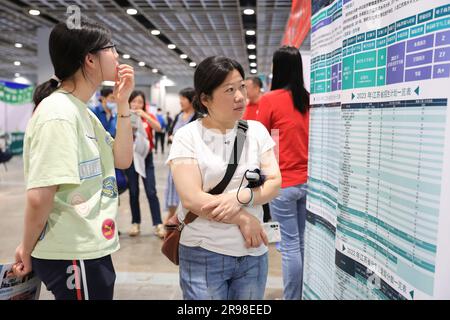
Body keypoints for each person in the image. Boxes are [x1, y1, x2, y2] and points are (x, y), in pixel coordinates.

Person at [12, 18, 134, 300]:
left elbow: (123, 159)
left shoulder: (82, 110)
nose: (117, 55)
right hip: (71, 251)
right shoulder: (58, 114)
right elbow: (40, 196)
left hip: (88, 247)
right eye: (111, 48)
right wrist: (26, 247)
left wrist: (123, 103)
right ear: (89, 59)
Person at [167, 56, 281, 300]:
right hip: (204, 251)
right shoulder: (188, 136)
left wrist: (241, 196)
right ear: (205, 99)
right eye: (229, 90)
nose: (240, 96)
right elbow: (192, 198)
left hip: (252, 254)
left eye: (241, 86)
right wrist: (243, 219)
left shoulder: (257, 131)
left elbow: (274, 182)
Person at [257, 46, 310, 300]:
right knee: (300, 243)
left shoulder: (270, 99)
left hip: (283, 183)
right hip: (309, 182)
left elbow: (259, 136)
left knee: (289, 246)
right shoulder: (308, 98)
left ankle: (292, 298)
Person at [126, 91, 165, 238]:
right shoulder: (125, 116)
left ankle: (158, 224)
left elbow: (159, 128)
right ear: (129, 102)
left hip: (146, 158)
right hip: (130, 158)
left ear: (144, 104)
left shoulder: (147, 116)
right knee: (133, 191)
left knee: (151, 191)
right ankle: (135, 223)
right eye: (134, 101)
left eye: (140, 102)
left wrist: (145, 115)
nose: (136, 104)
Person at [164, 87, 201, 223]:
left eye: (183, 98)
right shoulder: (178, 116)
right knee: (172, 189)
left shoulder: (198, 117)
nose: (180, 101)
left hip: (190, 162)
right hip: (175, 159)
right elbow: (169, 133)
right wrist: (172, 138)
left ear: (191, 100)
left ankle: (178, 221)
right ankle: (172, 218)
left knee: (186, 189)